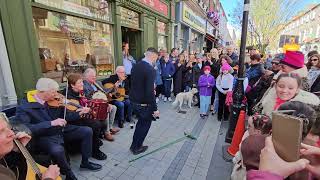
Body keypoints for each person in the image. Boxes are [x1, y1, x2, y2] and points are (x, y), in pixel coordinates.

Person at [15, 78, 102, 180]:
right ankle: (69, 174)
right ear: (43, 91)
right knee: (57, 150)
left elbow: (66, 117)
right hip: (45, 135)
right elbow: (26, 128)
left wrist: (80, 113)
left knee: (87, 131)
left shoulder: (54, 100)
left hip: (60, 129)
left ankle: (85, 162)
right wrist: (51, 123)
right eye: (53, 92)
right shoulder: (24, 106)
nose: (56, 94)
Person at [129, 47, 160, 155]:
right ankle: (136, 147)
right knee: (144, 125)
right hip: (143, 103)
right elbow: (149, 91)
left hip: (134, 100)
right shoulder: (150, 69)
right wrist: (155, 109)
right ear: (153, 56)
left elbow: (135, 83)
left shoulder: (136, 65)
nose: (155, 60)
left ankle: (134, 145)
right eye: (156, 58)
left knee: (140, 124)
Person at [82, 68, 119, 141]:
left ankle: (110, 127)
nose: (94, 77)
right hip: (93, 106)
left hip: (102, 103)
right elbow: (88, 99)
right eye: (92, 76)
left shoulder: (97, 83)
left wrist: (114, 87)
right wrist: (103, 103)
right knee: (106, 109)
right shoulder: (84, 86)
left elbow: (105, 91)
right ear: (86, 77)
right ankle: (106, 132)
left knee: (114, 107)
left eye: (95, 76)